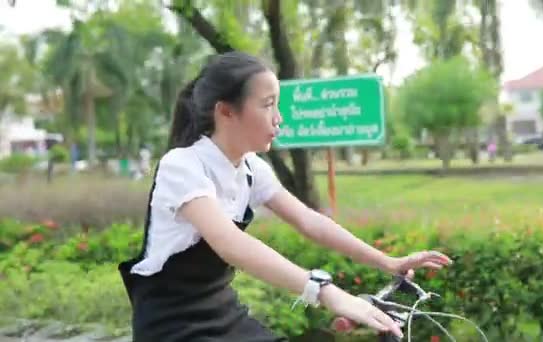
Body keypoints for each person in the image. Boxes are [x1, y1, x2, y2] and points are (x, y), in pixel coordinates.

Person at [118, 51, 452, 341]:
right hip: (171, 327)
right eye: (267, 105)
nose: (279, 118)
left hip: (222, 312)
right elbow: (230, 243)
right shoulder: (182, 166)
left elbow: (310, 222)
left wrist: (388, 262)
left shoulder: (251, 168)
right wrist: (326, 293)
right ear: (226, 112)